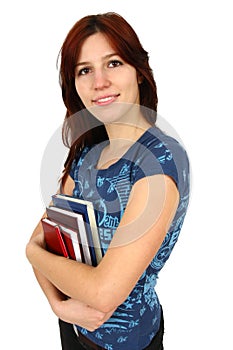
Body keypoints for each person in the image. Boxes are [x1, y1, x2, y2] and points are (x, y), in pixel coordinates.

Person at [26, 12, 190, 350]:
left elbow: (104, 293)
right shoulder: (88, 152)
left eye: (113, 63)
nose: (99, 82)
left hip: (129, 343)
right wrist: (59, 306)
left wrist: (30, 253)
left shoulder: (158, 163)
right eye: (85, 70)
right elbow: (44, 234)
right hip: (73, 328)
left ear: (139, 73)